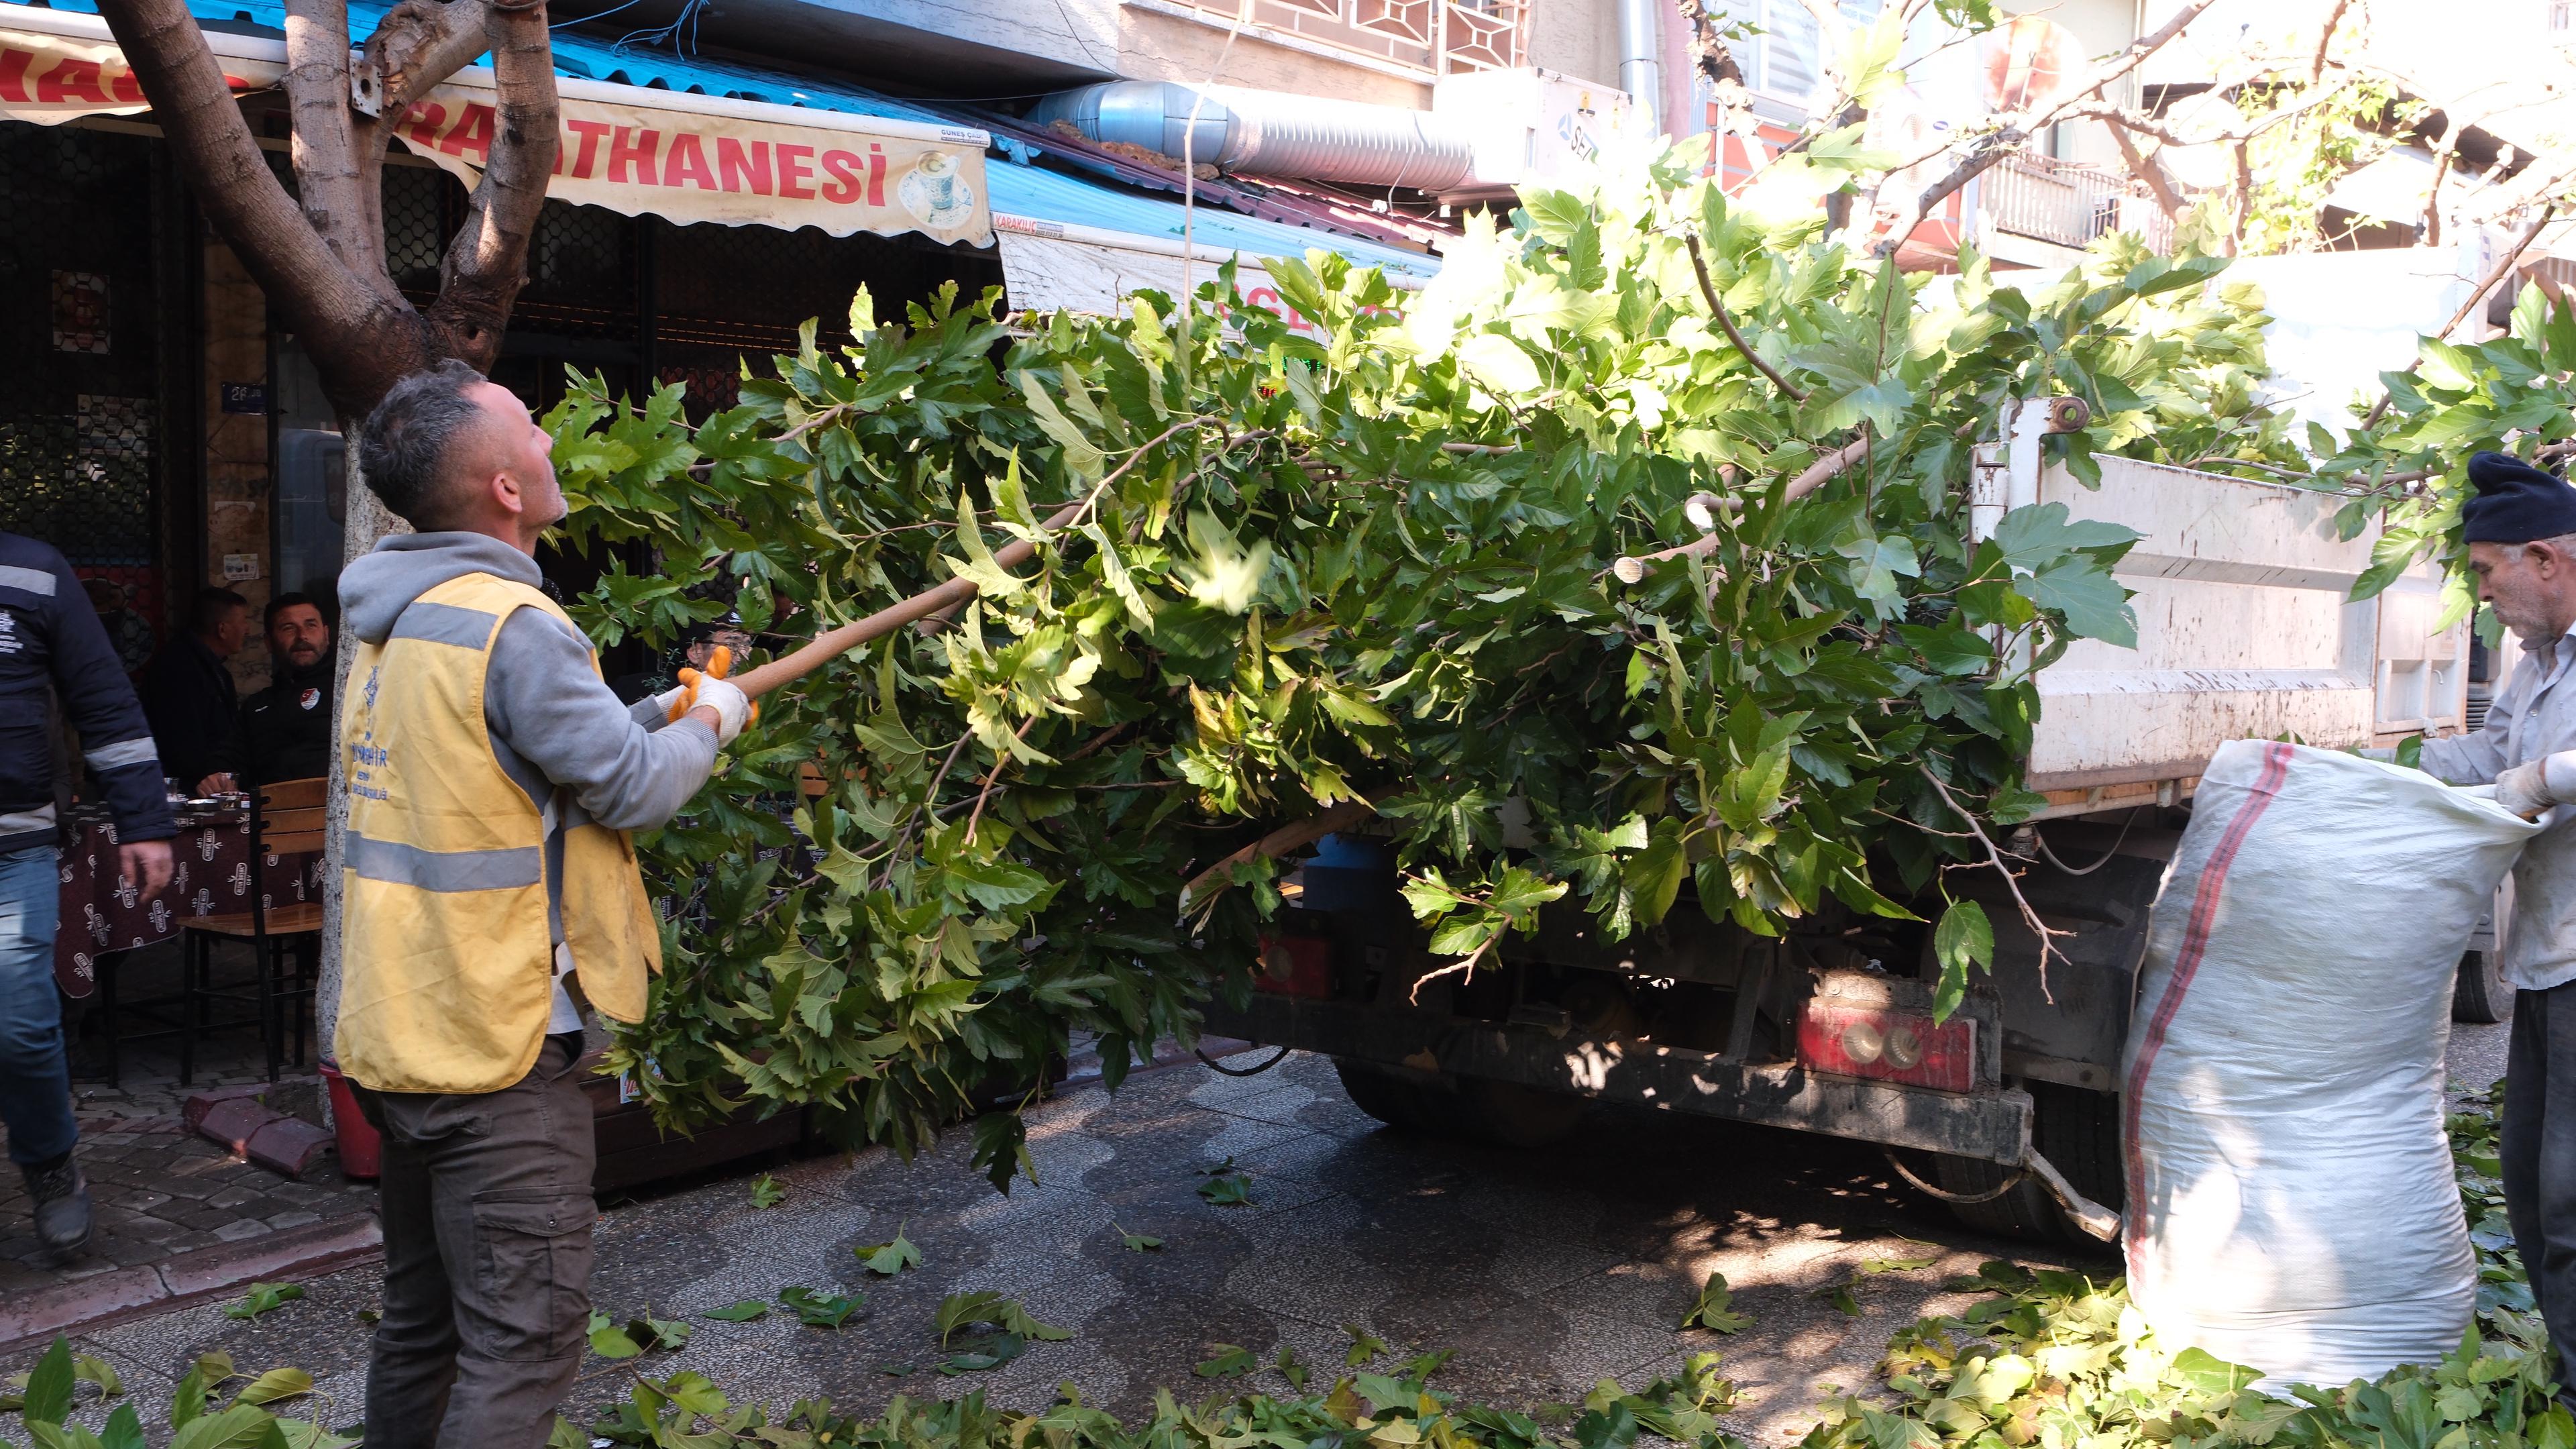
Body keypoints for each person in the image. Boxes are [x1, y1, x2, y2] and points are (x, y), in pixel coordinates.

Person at [335, 360, 749, 1449]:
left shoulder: (399, 618)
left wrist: (665, 704)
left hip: (404, 1032)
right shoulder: (516, 627)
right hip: (500, 1052)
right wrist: (717, 724)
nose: (553, 440)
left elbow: (526, 761)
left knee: (425, 1332)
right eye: (532, 428)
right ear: (504, 489)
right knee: (526, 1341)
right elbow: (630, 785)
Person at [2416, 449, 2576, 1394]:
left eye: (2487, 572)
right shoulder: (2541, 662)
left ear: (2547, 560)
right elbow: (2492, 751)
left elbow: (2533, 771)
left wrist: (2542, 780)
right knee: (2528, 1178)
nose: (2484, 598)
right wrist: (2385, 768)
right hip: (2550, 963)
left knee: (2570, 1198)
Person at [0, 533, 174, 1257]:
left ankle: (49, 1165)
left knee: (20, 1017)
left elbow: (102, 698)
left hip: (13, 848)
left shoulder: (34, 571)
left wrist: (141, 819)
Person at [198, 592, 336, 792]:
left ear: (326, 634)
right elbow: (229, 760)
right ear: (269, 642)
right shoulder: (258, 707)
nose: (302, 636)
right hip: (275, 818)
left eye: (311, 625)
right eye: (289, 628)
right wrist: (216, 777)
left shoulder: (352, 689)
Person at [140, 586, 249, 790]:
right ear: (222, 629)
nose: (247, 629)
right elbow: (183, 742)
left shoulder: (213, 668)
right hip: (188, 790)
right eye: (243, 621)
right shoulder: (178, 669)